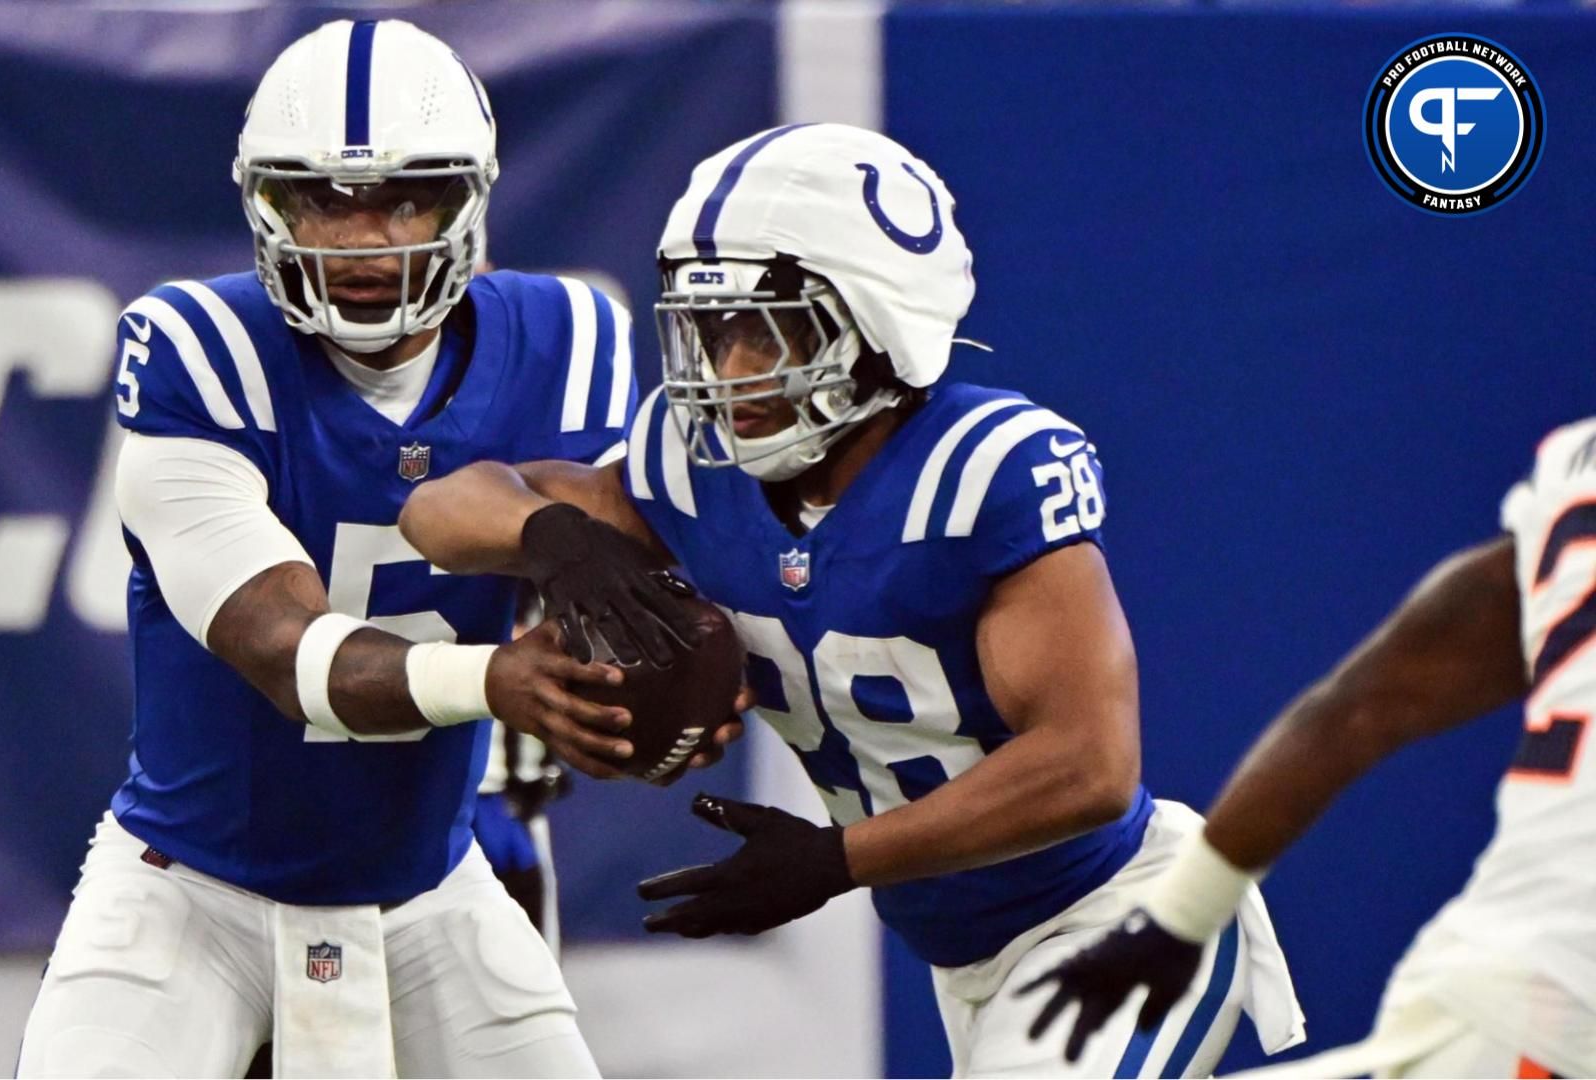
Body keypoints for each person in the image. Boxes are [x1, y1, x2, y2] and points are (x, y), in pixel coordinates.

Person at [397, 121, 1306, 1078]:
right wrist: (555, 538)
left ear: (879, 320)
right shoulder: (692, 468)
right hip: (967, 958)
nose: (726, 368)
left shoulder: (983, 472)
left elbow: (1090, 767)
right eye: (707, 328)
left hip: (1120, 916)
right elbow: (440, 505)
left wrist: (833, 861)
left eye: (763, 327)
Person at [17, 19, 647, 1078]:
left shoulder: (566, 345)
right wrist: (498, 677)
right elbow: (290, 655)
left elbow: (653, 570)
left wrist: (676, 659)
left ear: (470, 203)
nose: (362, 243)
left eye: (405, 199)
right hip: (190, 894)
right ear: (266, 206)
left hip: (430, 890)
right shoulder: (198, 355)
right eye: (323, 200)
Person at [1022, 419, 1596, 1078]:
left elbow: (1366, 704)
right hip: (1559, 1009)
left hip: (1516, 984)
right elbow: (1371, 701)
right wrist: (1175, 921)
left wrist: (1179, 919)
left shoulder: (1576, 469)